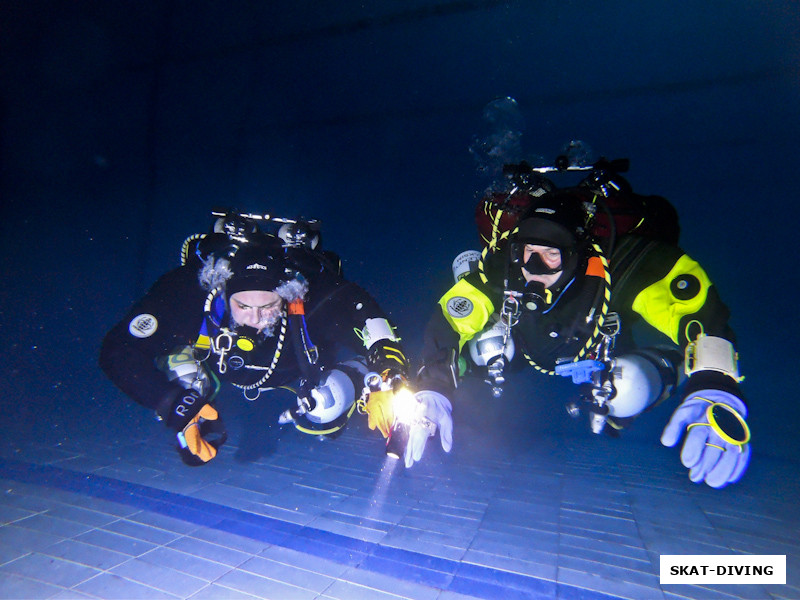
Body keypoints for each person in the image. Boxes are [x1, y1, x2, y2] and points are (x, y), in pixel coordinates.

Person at [414, 158, 750, 489]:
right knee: (483, 348)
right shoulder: (503, 267)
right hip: (527, 343)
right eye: (528, 252)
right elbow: (452, 317)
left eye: (551, 256)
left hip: (601, 345)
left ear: (574, 254)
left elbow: (698, 312)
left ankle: (668, 367)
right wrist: (433, 383)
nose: (534, 267)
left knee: (626, 392)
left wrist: (714, 383)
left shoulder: (621, 266)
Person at [100, 211, 441, 467]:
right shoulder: (188, 292)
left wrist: (388, 379)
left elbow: (370, 320)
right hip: (217, 367)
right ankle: (193, 409)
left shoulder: (310, 296)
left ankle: (353, 374)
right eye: (243, 306)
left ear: (286, 295)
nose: (255, 318)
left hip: (294, 370)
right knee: (183, 379)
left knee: (327, 407)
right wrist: (170, 401)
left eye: (268, 307)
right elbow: (117, 351)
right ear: (223, 292)